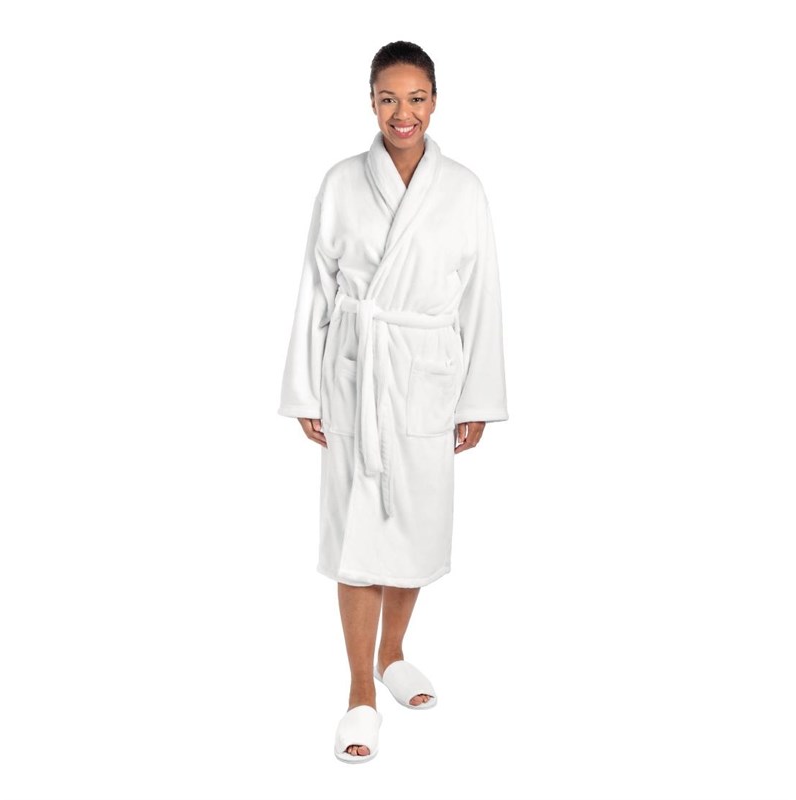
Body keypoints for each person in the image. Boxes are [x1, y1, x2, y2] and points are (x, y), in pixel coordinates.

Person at [277, 40, 509, 762]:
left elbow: (481, 295)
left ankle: (394, 652)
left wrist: (477, 396)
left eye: (416, 98)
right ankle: (359, 692)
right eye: (388, 98)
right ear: (372, 102)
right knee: (357, 539)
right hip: (355, 372)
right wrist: (304, 387)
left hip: (427, 374)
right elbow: (315, 287)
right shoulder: (342, 182)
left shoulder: (464, 188)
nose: (402, 113)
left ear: (434, 102)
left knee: (415, 527)